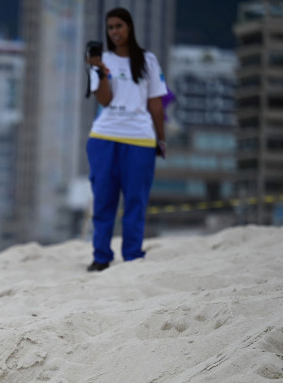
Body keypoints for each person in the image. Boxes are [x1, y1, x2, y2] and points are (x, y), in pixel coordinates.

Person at [85, 7, 167, 272]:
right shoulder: (101, 61)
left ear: (129, 27)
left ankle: (132, 256)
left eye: (119, 26)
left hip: (140, 139)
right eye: (110, 28)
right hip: (104, 137)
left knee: (136, 201)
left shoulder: (149, 61)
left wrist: (161, 139)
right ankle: (101, 257)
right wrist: (98, 71)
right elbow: (104, 100)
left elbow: (156, 103)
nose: (115, 32)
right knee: (103, 200)